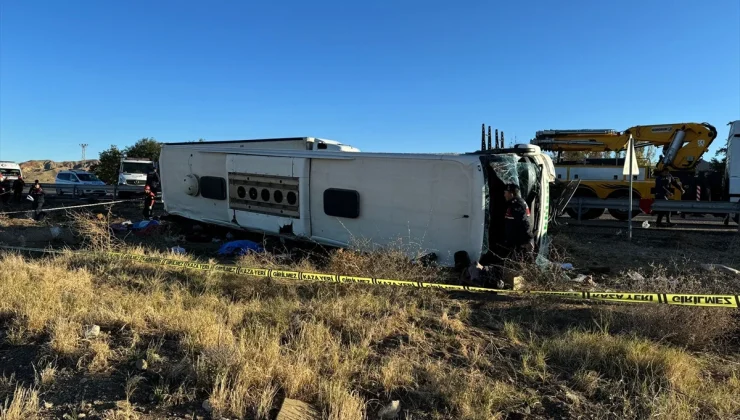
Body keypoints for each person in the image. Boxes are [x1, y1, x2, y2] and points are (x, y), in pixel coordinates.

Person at [503, 183, 534, 263]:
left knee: (516, 262)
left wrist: (528, 240)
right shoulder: (517, 202)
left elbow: (524, 222)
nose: (504, 195)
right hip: (516, 241)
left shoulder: (516, 204)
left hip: (518, 242)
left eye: (505, 193)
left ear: (511, 193)